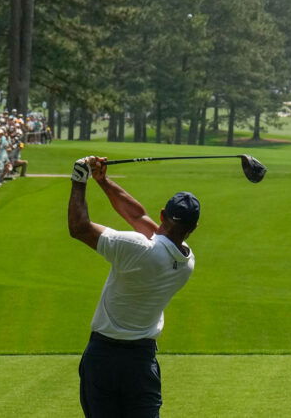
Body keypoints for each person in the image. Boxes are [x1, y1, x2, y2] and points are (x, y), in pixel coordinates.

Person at [68, 156, 199, 418]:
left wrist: (79, 179)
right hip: (142, 362)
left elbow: (79, 228)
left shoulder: (136, 247)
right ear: (192, 228)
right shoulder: (187, 260)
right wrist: (103, 181)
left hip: (103, 358)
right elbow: (138, 216)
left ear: (162, 214)